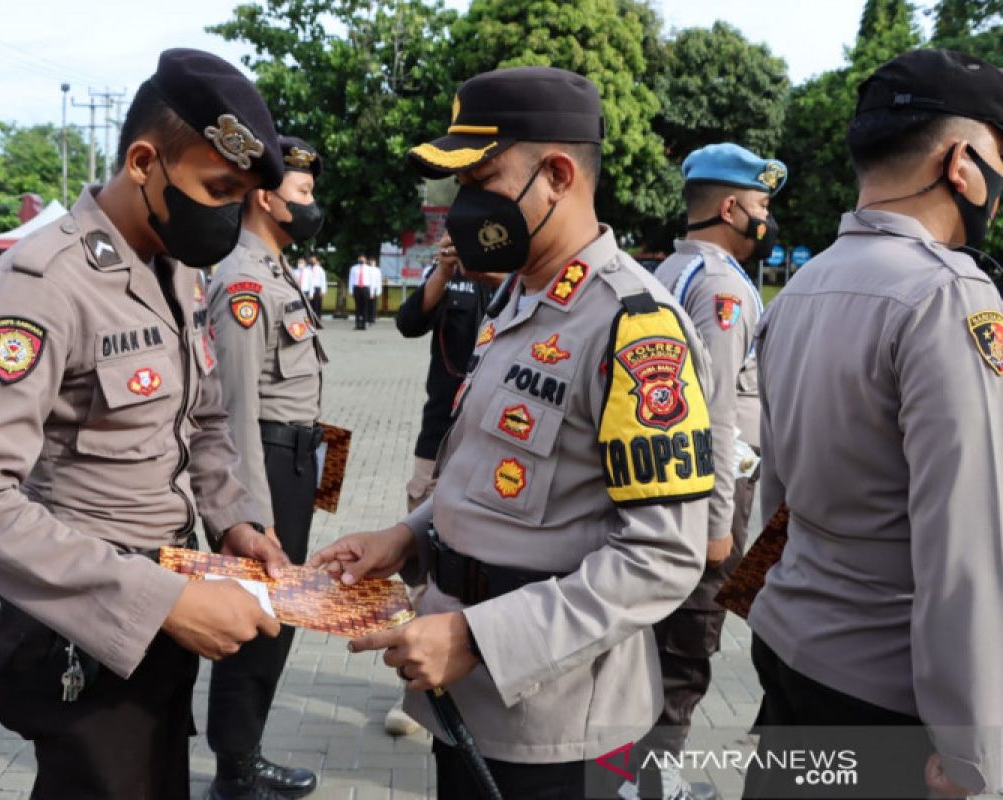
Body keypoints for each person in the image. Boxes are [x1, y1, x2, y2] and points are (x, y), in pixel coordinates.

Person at [309, 66, 716, 799]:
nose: (462, 209)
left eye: (483, 181)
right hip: (464, 697)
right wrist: (405, 538)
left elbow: (663, 553)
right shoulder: (517, 299)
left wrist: (474, 640)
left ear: (558, 174)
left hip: (558, 726)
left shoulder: (632, 324)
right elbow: (487, 474)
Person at [0, 48, 291, 800]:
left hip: (168, 600)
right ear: (143, 161)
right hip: (84, 628)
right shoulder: (39, 288)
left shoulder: (175, 270)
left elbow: (205, 420)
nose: (229, 215)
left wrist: (234, 522)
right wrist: (163, 601)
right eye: (217, 190)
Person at [743, 49, 1003, 800]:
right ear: (962, 161)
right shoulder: (949, 295)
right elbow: (966, 546)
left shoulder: (803, 286)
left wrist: (769, 607)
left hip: (791, 654)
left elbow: (779, 501)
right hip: (887, 699)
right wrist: (973, 752)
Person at [624, 144, 786, 800]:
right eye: (762, 205)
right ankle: (651, 782)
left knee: (657, 640)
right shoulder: (722, 288)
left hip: (665, 484)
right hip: (711, 496)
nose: (767, 219)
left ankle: (633, 770)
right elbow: (718, 414)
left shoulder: (666, 271)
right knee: (688, 648)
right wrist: (721, 524)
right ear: (731, 207)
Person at [205, 135, 327, 800]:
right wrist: (248, 513)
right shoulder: (245, 282)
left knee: (281, 616)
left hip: (296, 459)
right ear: (265, 196)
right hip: (268, 468)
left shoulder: (275, 273)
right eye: (303, 193)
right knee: (257, 619)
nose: (313, 205)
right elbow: (233, 410)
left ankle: (244, 754)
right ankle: (234, 771)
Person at [385, 243, 499, 739]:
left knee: (478, 563)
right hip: (438, 436)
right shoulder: (450, 273)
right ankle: (415, 684)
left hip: (496, 442)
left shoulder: (517, 273)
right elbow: (408, 323)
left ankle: (473, 671)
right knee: (426, 568)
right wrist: (445, 270)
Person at [348, 255, 370, 329]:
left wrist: (372, 291)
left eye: (363, 258)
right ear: (358, 259)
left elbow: (372, 280)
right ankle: (357, 324)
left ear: (365, 259)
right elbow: (351, 279)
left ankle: (363, 324)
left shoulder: (368, 268)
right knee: (358, 306)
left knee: (365, 306)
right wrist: (351, 290)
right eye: (360, 258)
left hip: (365, 288)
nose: (361, 259)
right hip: (356, 288)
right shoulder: (354, 268)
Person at [366, 256, 382, 324]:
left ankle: (372, 317)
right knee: (367, 304)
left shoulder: (377, 270)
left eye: (373, 261)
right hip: (367, 288)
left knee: (373, 304)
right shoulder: (366, 269)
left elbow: (379, 281)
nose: (372, 262)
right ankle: (366, 317)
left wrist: (378, 290)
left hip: (375, 288)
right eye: (371, 261)